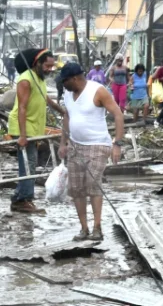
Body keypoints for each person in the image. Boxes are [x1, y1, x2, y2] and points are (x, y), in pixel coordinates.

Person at [58, 63, 124, 241]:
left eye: (64, 81)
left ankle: (97, 227)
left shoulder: (98, 91)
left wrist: (117, 143)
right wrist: (63, 142)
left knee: (92, 184)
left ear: (74, 78)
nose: (62, 85)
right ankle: (84, 228)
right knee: (76, 188)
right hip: (75, 145)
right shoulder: (68, 94)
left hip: (97, 144)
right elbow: (67, 116)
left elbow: (118, 114)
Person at [7, 48, 65, 214]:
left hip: (34, 128)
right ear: (37, 63)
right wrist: (23, 135)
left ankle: (21, 197)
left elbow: (46, 99)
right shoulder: (26, 80)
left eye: (52, 67)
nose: (49, 69)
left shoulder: (40, 79)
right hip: (24, 128)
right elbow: (22, 108)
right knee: (28, 164)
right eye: (47, 66)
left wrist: (63, 111)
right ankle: (22, 200)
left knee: (31, 163)